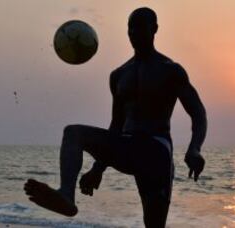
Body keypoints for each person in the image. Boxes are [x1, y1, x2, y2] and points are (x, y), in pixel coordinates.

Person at [24, 7, 207, 228]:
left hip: (155, 152)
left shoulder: (170, 70)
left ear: (154, 29)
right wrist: (97, 169)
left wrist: (195, 148)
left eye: (140, 27)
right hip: (127, 146)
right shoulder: (119, 75)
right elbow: (116, 126)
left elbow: (198, 113)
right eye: (130, 28)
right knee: (73, 133)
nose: (134, 33)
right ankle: (66, 195)